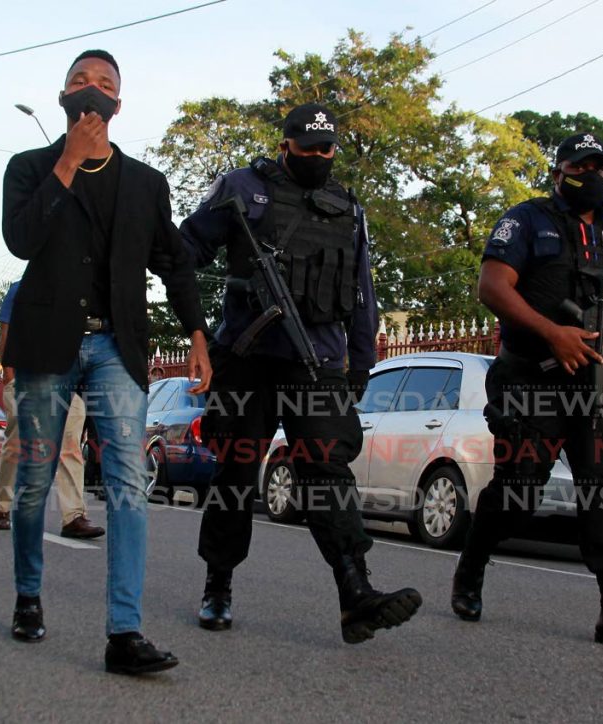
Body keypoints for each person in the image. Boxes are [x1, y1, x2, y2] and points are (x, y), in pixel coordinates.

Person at [1, 49, 211, 675]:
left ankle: (125, 631)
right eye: (80, 82)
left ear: (120, 103)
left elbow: (173, 259)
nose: (91, 91)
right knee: (37, 478)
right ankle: (28, 596)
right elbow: (20, 240)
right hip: (47, 345)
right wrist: (67, 161)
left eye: (104, 85)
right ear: (64, 95)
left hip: (118, 345)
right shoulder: (29, 167)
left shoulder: (145, 184)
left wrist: (198, 332)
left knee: (126, 482)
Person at [180, 103, 422, 644]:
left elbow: (362, 290)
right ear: (285, 144)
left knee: (327, 473)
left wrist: (362, 361)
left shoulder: (346, 207)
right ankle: (217, 584)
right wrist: (197, 321)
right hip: (245, 359)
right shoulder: (242, 188)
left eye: (326, 149)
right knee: (237, 474)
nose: (318, 157)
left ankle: (355, 593)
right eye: (308, 148)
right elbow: (187, 249)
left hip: (316, 361)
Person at [450, 133, 603, 648]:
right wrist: (554, 334)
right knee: (521, 489)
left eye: (598, 168)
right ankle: (473, 561)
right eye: (579, 167)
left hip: (599, 387)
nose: (589, 176)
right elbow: (492, 287)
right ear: (558, 172)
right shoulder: (526, 220)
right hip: (532, 377)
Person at [0, 280, 105, 539]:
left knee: (70, 447)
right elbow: (6, 334)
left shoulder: (75, 292)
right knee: (17, 445)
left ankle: (74, 516)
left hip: (65, 381)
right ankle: (2, 507)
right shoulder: (20, 289)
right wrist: (10, 380)